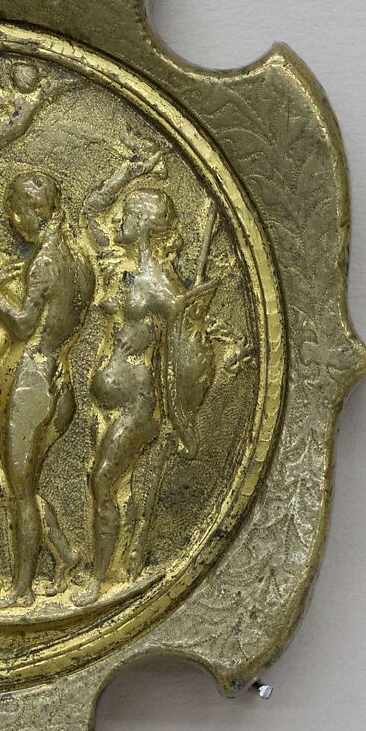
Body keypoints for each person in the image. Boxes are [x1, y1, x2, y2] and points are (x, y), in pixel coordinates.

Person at [74, 158, 216, 606]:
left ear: (146, 227)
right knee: (113, 486)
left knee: (103, 483)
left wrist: (181, 416)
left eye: (129, 215)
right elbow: (90, 212)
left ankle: (101, 579)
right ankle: (116, 564)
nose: (120, 219)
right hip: (110, 402)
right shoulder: (123, 265)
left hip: (138, 405)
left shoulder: (164, 289)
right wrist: (131, 170)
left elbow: (184, 359)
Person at [0, 171, 93, 607]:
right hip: (61, 378)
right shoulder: (80, 260)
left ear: (32, 212)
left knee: (19, 490)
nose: (13, 222)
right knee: (15, 481)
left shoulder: (45, 262)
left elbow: (24, 325)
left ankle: (21, 589)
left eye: (15, 212)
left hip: (33, 378)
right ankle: (66, 556)